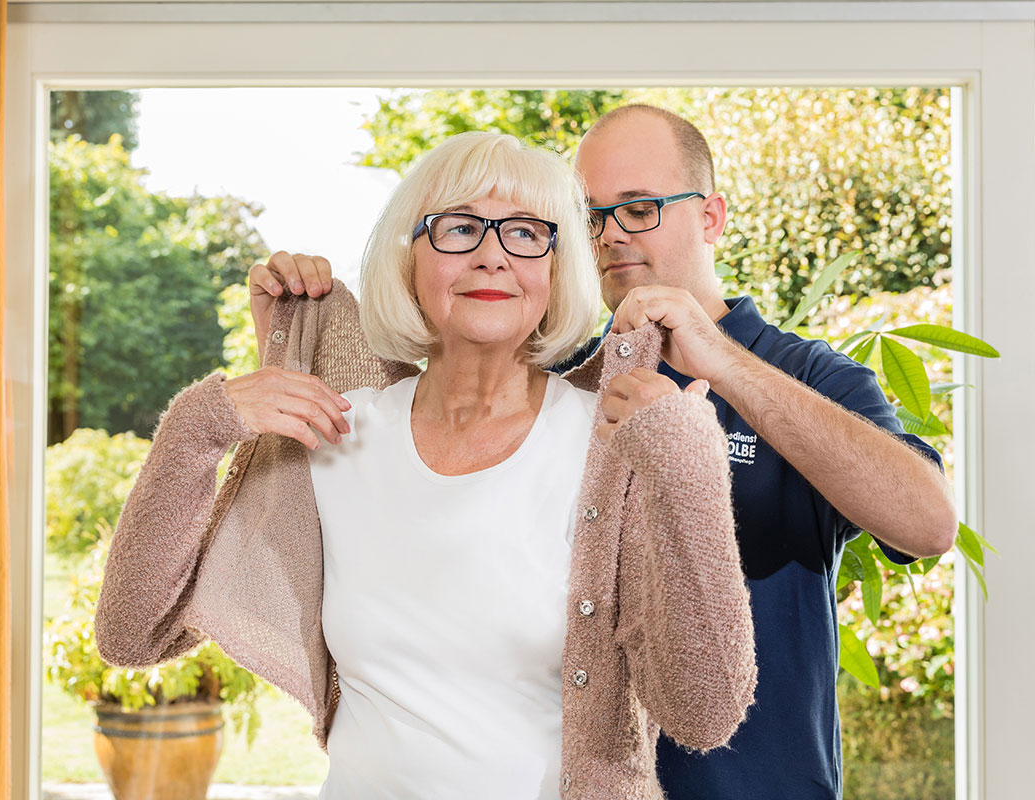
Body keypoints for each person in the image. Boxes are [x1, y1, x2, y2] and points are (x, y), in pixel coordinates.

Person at [250, 106, 957, 800]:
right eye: (589, 216)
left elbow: (928, 525)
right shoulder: (568, 386)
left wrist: (720, 359)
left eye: (640, 208)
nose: (611, 234)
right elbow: (411, 476)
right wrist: (293, 337)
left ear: (710, 217)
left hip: (754, 779)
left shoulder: (807, 377)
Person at [95, 131, 757, 800]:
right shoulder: (337, 428)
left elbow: (707, 712)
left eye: (527, 233)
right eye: (461, 229)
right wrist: (197, 426)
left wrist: (686, 458)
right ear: (406, 257)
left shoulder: (613, 440)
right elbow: (132, 633)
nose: (493, 256)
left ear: (557, 269)